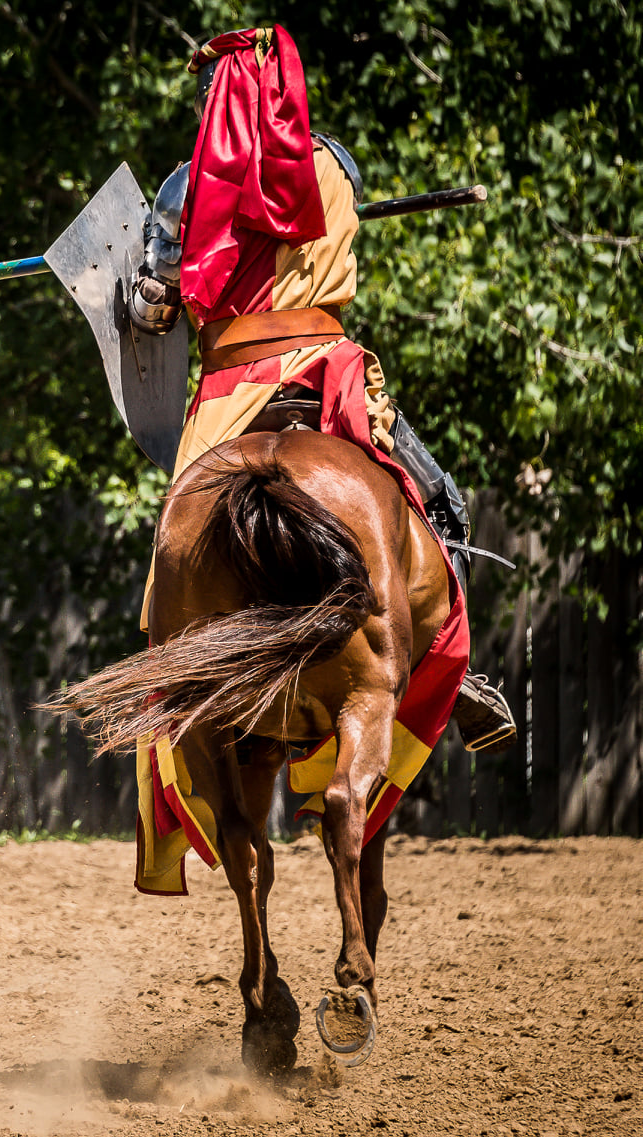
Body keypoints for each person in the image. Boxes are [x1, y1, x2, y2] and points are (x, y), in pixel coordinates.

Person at [125, 25, 514, 753]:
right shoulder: (334, 165)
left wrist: (136, 284)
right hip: (326, 373)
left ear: (216, 99)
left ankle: (169, 667)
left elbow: (153, 311)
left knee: (174, 553)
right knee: (440, 503)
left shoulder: (186, 187)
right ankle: (452, 672)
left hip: (233, 392)